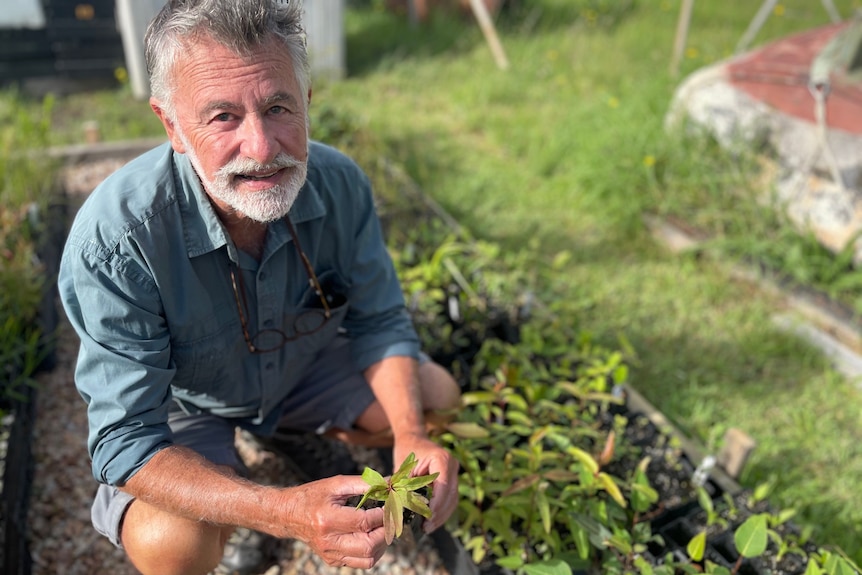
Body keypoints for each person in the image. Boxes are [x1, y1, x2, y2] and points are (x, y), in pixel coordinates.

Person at [57, 1, 462, 573]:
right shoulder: (118, 240)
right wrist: (282, 511)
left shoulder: (340, 183)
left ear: (308, 101)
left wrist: (411, 434)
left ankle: (289, 434)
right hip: (187, 405)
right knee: (172, 544)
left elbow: (379, 321)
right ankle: (241, 487)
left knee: (435, 396)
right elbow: (127, 438)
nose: (263, 147)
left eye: (278, 107)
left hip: (300, 372)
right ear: (172, 125)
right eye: (222, 117)